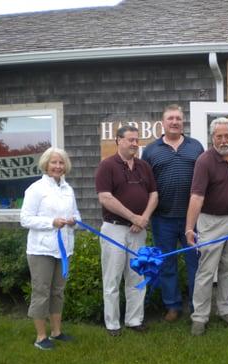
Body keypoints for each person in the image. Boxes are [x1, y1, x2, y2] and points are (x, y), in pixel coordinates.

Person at [142, 104, 204, 321]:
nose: (175, 122)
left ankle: (198, 306)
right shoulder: (150, 150)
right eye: (170, 118)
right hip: (163, 219)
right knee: (168, 264)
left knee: (195, 263)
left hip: (192, 219)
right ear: (163, 122)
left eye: (178, 118)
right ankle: (173, 306)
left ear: (183, 122)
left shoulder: (196, 147)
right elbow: (145, 184)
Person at [95, 125, 158, 336]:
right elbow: (105, 198)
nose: (134, 143)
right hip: (114, 230)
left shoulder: (144, 166)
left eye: (136, 140)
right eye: (130, 139)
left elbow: (154, 195)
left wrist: (144, 219)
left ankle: (134, 320)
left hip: (138, 231)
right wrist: (133, 217)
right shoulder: (107, 166)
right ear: (118, 141)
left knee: (137, 277)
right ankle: (112, 324)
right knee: (112, 279)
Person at [185, 117, 228, 336]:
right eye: (218, 136)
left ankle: (225, 310)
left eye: (227, 136)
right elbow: (196, 197)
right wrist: (190, 228)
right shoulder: (204, 161)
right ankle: (200, 317)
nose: (223, 140)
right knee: (206, 271)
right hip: (210, 222)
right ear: (212, 138)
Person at [20, 147, 80, 350]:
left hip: (63, 249)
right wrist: (51, 222)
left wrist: (74, 221)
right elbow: (25, 219)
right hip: (41, 250)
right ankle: (40, 337)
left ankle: (56, 332)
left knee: (58, 292)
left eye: (61, 163)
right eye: (54, 162)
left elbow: (76, 215)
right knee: (41, 292)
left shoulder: (68, 189)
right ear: (46, 164)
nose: (57, 166)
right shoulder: (36, 189)